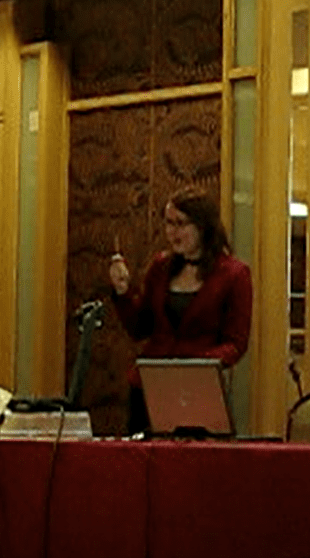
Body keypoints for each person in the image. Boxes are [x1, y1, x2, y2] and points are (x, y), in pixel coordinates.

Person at [108, 185, 253, 433]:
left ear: (203, 226)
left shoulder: (234, 274)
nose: (171, 232)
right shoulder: (161, 267)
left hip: (199, 388)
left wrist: (194, 366)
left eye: (180, 223)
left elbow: (236, 343)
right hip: (150, 385)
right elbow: (139, 328)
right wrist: (123, 293)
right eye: (168, 222)